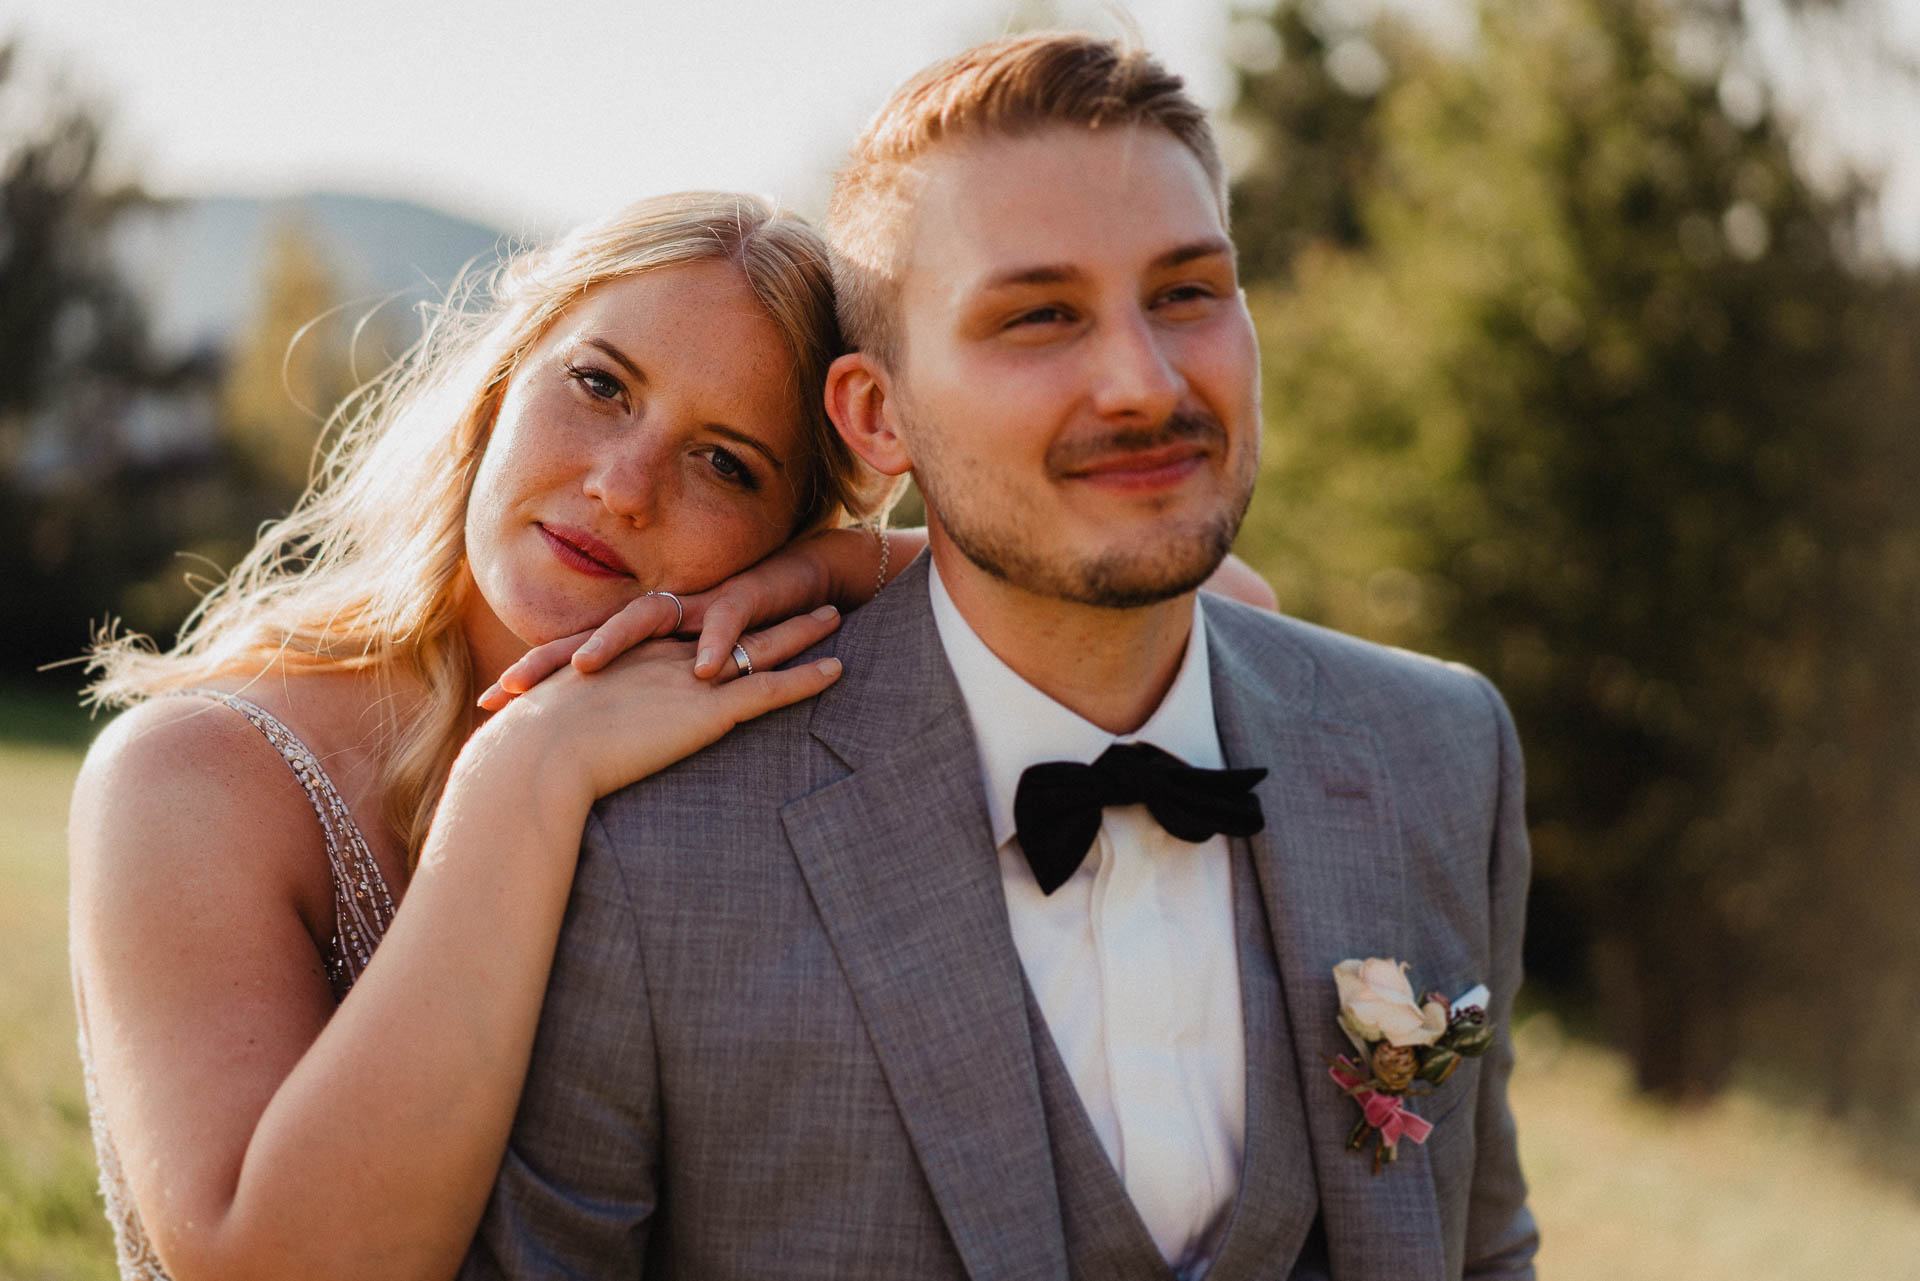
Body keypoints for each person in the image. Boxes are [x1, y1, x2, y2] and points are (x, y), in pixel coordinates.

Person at [466, 30, 1537, 1281]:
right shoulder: (652, 855)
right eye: (1040, 317)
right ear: (878, 415)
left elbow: (1481, 1245)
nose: (1143, 382)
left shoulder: (1441, 747)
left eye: (1187, 293)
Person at [69, 192, 911, 1281]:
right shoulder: (195, 772)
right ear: (507, 373)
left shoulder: (733, 758)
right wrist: (525, 770)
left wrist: (840, 569)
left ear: (782, 530)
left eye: (725, 463)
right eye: (601, 385)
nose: (623, 487)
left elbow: (1199, 609)